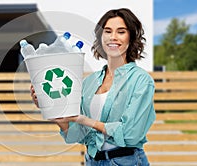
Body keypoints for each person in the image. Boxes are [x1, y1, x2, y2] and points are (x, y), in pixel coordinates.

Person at [30, 8, 155, 166]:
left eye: (121, 31)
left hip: (126, 161)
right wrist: (51, 108)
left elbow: (132, 134)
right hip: (92, 161)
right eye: (108, 31)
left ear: (131, 37)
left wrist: (85, 120)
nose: (113, 37)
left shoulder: (141, 80)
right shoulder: (90, 82)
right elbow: (79, 135)